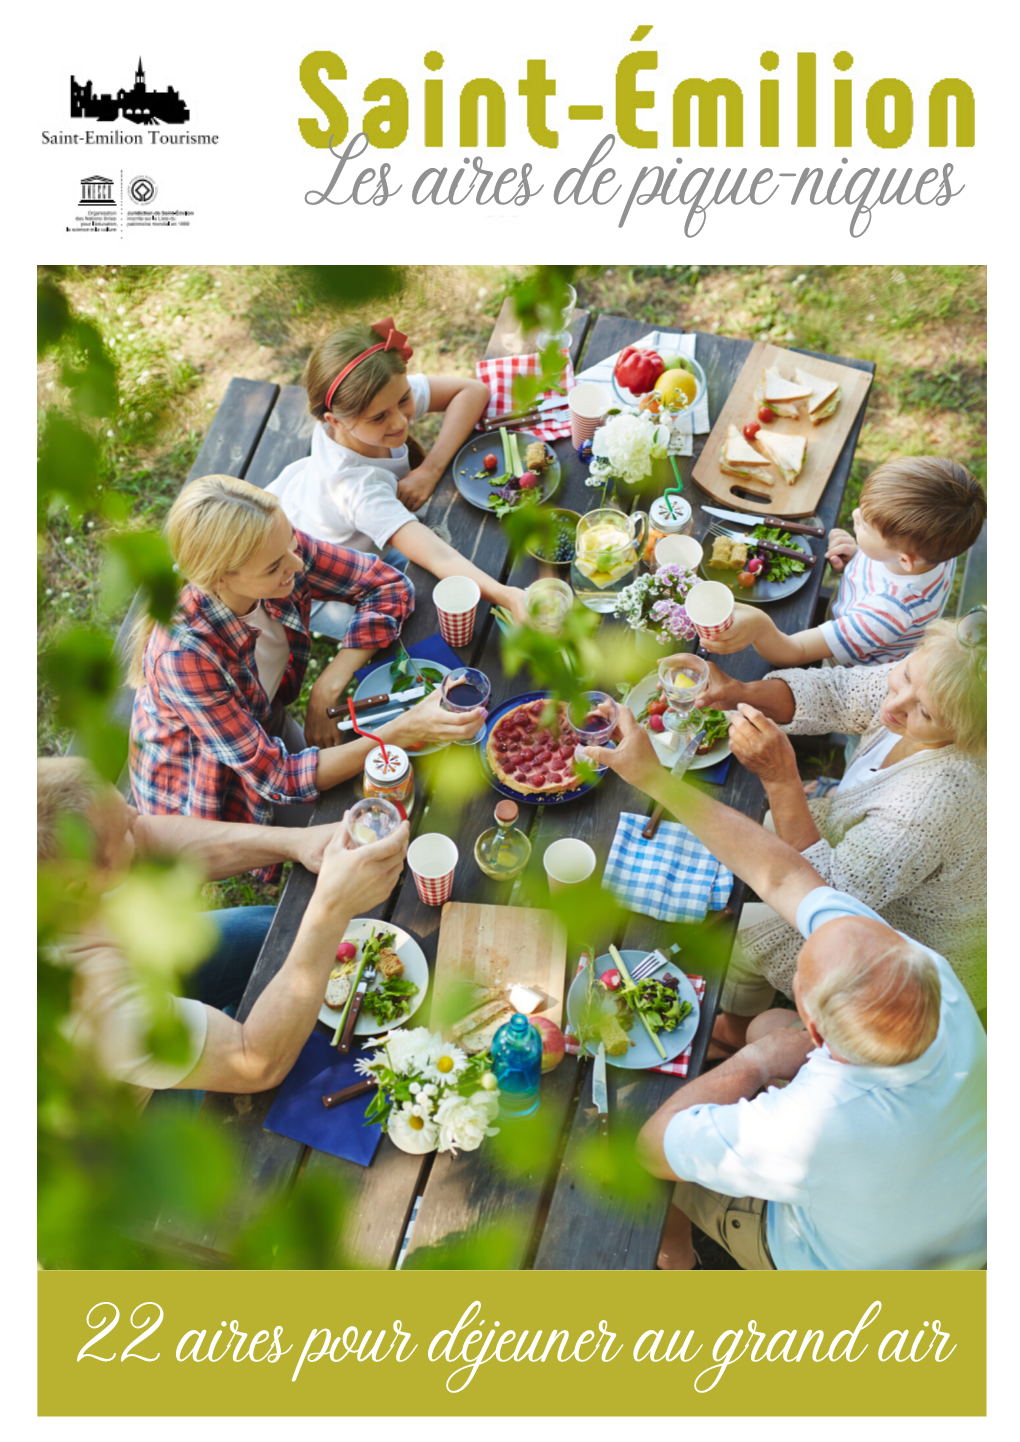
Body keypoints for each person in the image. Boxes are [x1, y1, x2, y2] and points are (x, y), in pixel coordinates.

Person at [584, 714, 986, 1272]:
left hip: (841, 1265)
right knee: (768, 1027)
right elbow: (784, 878)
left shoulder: (810, 1125)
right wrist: (655, 779)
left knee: (638, 1128)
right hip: (959, 1211)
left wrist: (756, 1063)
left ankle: (676, 1252)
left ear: (818, 1033)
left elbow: (656, 1145)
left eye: (801, 979)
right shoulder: (930, 975)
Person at [129, 475, 483, 867]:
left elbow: (388, 585)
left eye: (293, 547)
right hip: (205, 785)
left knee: (359, 804)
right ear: (219, 577)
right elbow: (278, 778)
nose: (297, 565)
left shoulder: (273, 547)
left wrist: (328, 684)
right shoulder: (183, 656)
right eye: (275, 566)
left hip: (265, 719)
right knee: (348, 839)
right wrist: (403, 730)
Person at [39, 757, 408, 1100]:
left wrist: (297, 842)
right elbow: (255, 1063)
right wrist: (331, 908)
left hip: (143, 966)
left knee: (276, 931)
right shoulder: (92, 1005)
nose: (136, 813)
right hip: (129, 1108)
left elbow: (149, 842)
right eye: (123, 831)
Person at [697, 616, 987, 1042]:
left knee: (736, 935)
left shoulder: (934, 800)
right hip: (856, 859)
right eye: (905, 674)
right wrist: (739, 692)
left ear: (973, 733)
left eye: (923, 712)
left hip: (900, 944)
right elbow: (838, 692)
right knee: (745, 831)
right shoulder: (929, 683)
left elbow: (827, 896)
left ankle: (731, 1032)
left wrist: (781, 779)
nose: (894, 705)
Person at [267, 317, 530, 646]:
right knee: (410, 630)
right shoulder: (357, 489)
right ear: (335, 421)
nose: (400, 420)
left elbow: (472, 391)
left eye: (405, 400)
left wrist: (430, 470)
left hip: (319, 514)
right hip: (318, 587)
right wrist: (508, 596)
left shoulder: (377, 397)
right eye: (379, 417)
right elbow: (440, 558)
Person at [701, 457, 985, 667]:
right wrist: (858, 556)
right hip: (854, 616)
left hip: (848, 664)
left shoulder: (886, 614)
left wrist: (761, 626)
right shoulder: (938, 548)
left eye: (864, 526)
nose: (854, 515)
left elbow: (794, 652)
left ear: (903, 560)